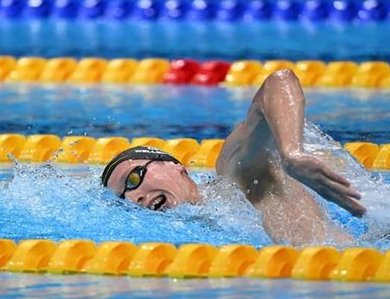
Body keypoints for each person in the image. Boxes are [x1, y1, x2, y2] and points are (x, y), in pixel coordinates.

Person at [101, 69, 366, 245]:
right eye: (123, 198)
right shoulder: (198, 232)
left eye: (133, 178)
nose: (133, 197)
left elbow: (279, 81)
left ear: (174, 166)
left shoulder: (237, 175)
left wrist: (291, 153)